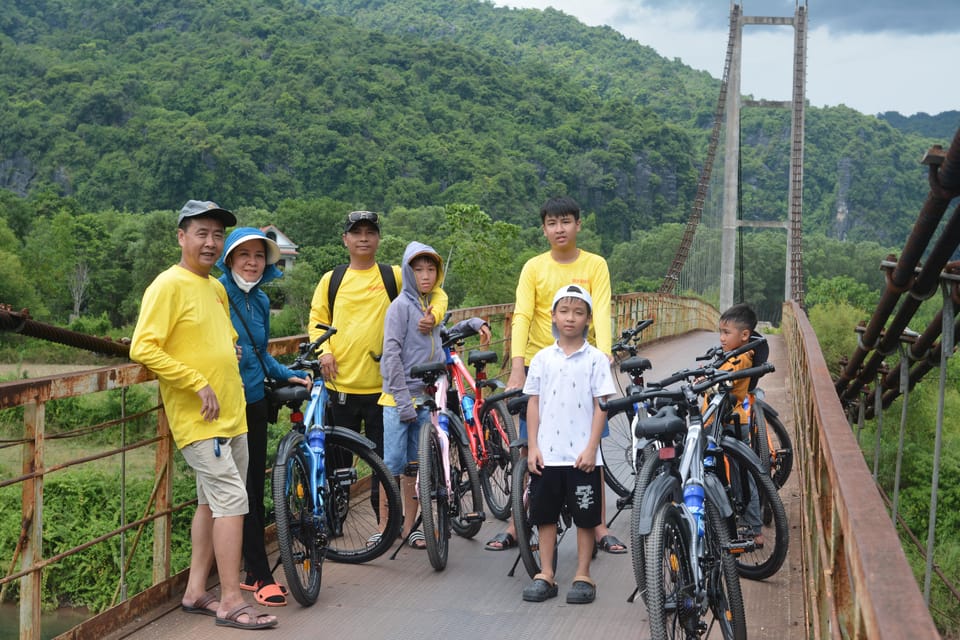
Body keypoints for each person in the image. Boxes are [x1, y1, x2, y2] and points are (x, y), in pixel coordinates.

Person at [130, 200, 277, 630]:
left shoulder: (213, 287)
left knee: (212, 504)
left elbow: (227, 336)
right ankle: (231, 599)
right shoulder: (167, 285)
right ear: (181, 236)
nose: (210, 242)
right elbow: (144, 347)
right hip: (200, 419)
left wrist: (225, 349)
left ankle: (196, 591)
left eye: (217, 235)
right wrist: (196, 380)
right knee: (233, 501)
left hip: (233, 416)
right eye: (202, 233)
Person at [486, 196, 625, 554]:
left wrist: (606, 354)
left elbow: (604, 308)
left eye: (565, 222)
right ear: (544, 228)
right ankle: (518, 524)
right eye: (552, 223)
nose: (559, 229)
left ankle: (598, 526)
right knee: (527, 447)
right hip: (540, 364)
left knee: (591, 449)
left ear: (578, 224)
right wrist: (518, 367)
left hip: (584, 362)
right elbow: (522, 314)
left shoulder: (595, 264)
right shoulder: (534, 267)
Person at [307, 211, 447, 522]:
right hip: (340, 385)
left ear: (378, 239)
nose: (364, 238)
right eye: (356, 233)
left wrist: (435, 313)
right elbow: (317, 323)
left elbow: (434, 288)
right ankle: (334, 523)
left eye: (370, 232)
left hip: (384, 391)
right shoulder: (332, 279)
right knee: (338, 464)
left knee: (385, 465)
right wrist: (324, 353)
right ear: (345, 239)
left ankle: (386, 526)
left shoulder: (392, 276)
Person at [216, 227, 310, 606]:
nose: (252, 263)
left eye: (258, 256)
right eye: (244, 256)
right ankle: (259, 573)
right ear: (230, 260)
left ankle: (253, 572)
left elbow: (259, 353)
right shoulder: (219, 293)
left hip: (254, 401)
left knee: (253, 484)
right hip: (224, 403)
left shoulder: (260, 300)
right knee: (240, 492)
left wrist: (285, 371)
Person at [520, 285, 617, 604]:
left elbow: (602, 406)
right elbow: (533, 404)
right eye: (564, 311)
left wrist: (592, 448)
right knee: (545, 516)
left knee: (586, 517)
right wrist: (532, 446)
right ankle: (546, 573)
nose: (570, 318)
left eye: (578, 312)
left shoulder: (596, 360)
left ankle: (583, 574)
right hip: (548, 454)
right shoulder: (542, 359)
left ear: (588, 318)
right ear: (553, 316)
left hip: (582, 456)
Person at [379, 241, 446, 550]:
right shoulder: (400, 308)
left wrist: (471, 323)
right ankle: (385, 528)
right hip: (397, 401)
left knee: (414, 467)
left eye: (431, 269)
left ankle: (411, 527)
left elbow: (439, 338)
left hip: (424, 397)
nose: (425, 275)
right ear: (407, 272)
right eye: (418, 269)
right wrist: (404, 400)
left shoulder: (429, 306)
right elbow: (390, 356)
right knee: (390, 466)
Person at [712, 302, 764, 545]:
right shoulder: (734, 353)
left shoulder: (742, 357)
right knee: (737, 472)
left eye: (726, 333)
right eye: (720, 332)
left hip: (732, 422)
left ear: (744, 335)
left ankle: (754, 528)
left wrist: (709, 377)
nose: (721, 338)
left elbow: (727, 379)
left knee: (743, 476)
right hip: (726, 420)